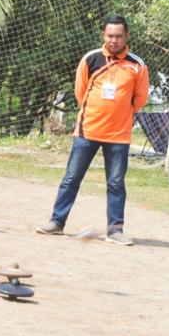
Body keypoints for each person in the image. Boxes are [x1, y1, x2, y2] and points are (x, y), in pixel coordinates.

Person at [37, 15, 149, 245]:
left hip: (119, 135)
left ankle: (115, 230)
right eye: (110, 36)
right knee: (71, 178)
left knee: (116, 183)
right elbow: (81, 92)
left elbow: (139, 99)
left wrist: (119, 112)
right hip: (88, 131)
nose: (114, 40)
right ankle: (57, 222)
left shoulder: (137, 65)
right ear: (103, 36)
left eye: (118, 36)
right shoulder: (91, 59)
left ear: (126, 36)